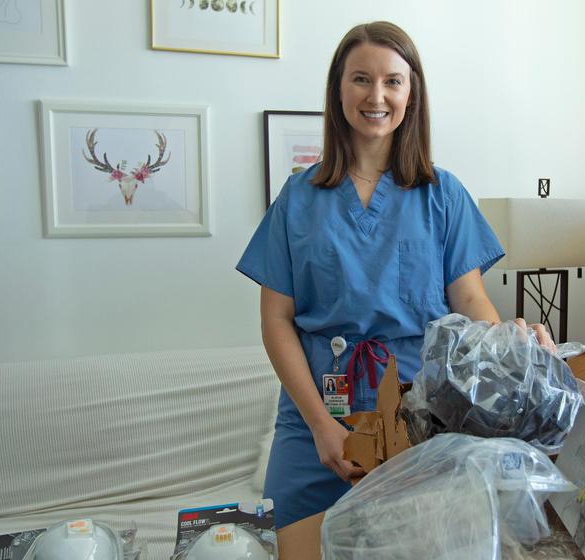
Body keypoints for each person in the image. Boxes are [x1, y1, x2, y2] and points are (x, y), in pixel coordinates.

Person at [237, 21, 553, 528]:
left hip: (419, 416)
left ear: (412, 94)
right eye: (361, 79)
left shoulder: (442, 194)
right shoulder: (298, 198)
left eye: (393, 81)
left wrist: (509, 349)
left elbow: (470, 302)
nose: (376, 95)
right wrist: (322, 426)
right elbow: (276, 320)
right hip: (317, 416)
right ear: (339, 90)